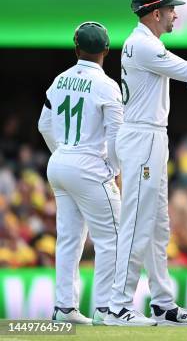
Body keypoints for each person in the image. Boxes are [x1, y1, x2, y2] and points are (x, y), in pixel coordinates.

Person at [105, 0, 187, 326]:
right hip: (143, 136)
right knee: (138, 222)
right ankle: (117, 305)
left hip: (150, 137)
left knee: (159, 225)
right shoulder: (144, 45)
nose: (176, 14)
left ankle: (162, 303)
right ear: (156, 13)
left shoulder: (147, 43)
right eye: (171, 9)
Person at [38, 22, 122, 325]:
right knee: (112, 238)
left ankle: (64, 307)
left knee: (69, 239)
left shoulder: (59, 80)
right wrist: (113, 169)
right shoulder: (107, 85)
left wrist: (62, 152)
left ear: (76, 48)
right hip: (89, 165)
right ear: (106, 51)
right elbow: (116, 135)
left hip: (60, 162)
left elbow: (43, 125)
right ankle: (105, 308)